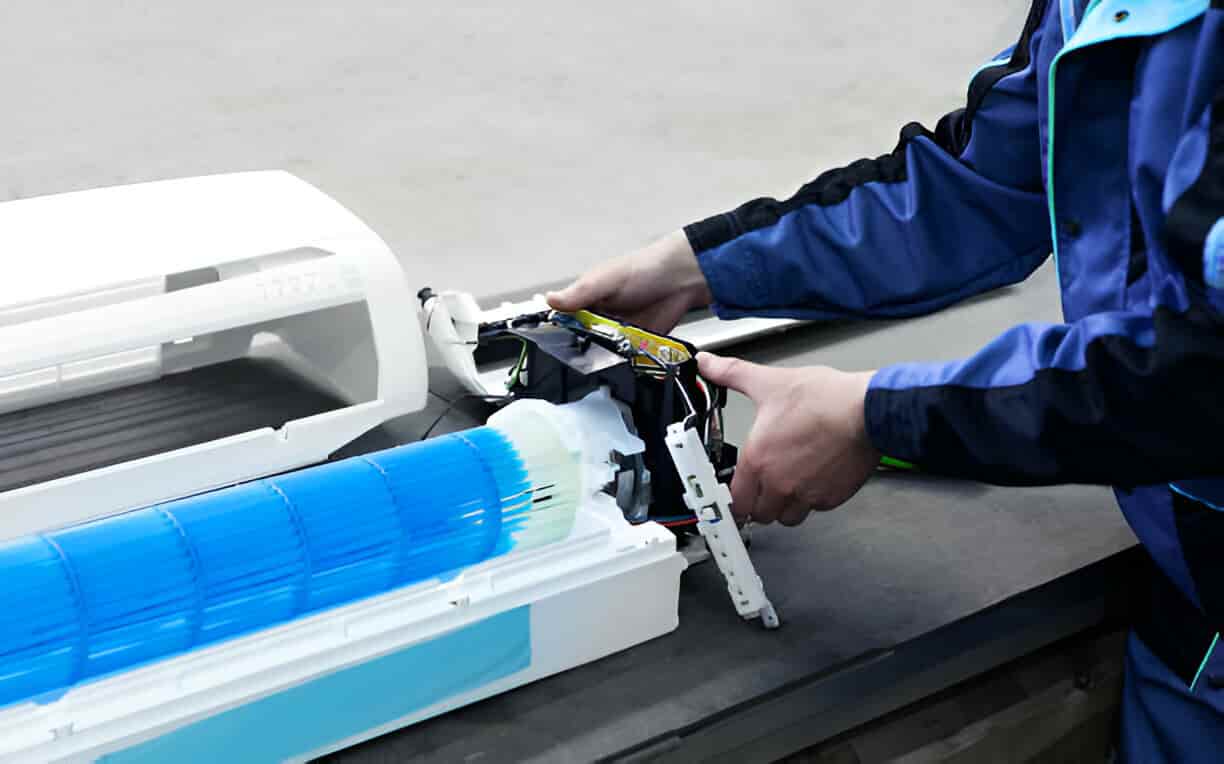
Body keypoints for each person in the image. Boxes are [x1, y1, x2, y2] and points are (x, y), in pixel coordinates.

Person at [547, 1, 1224, 760]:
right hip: (1193, 617)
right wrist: (702, 265)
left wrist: (882, 415)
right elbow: (977, 184)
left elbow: (1206, 367)